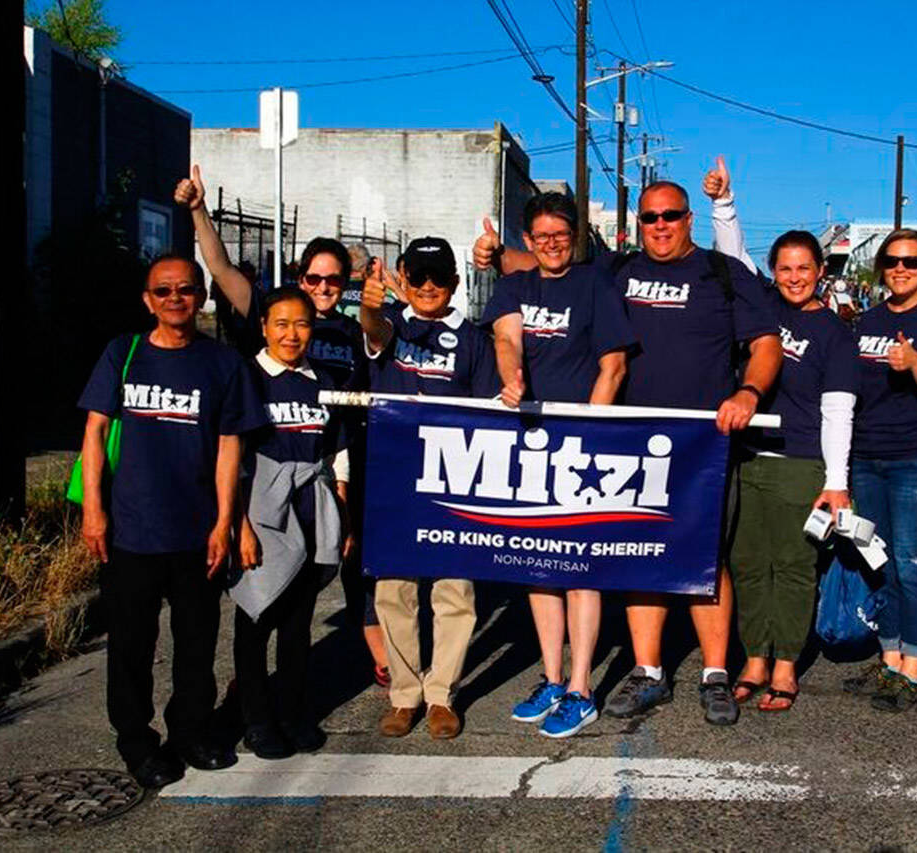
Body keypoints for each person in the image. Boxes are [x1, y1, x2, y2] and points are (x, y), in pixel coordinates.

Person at [475, 178, 783, 727]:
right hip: (630, 441)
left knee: (705, 559)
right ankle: (648, 672)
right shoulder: (617, 271)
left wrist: (748, 391)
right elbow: (550, 266)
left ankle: (714, 673)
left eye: (670, 215)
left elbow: (765, 343)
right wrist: (497, 254)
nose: (659, 226)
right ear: (637, 224)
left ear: (689, 218)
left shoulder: (721, 273)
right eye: (649, 218)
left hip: (700, 442)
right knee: (641, 553)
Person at [174, 166, 391, 688]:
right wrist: (199, 211)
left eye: (332, 279)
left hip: (338, 455)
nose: (321, 288)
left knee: (349, 560)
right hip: (274, 464)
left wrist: (377, 308)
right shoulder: (275, 314)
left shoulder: (349, 325)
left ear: (345, 285)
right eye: (312, 278)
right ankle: (253, 691)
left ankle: (377, 652)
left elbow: (385, 346)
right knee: (266, 584)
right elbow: (223, 270)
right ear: (297, 279)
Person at [78, 255, 266, 789]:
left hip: (195, 532)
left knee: (196, 646)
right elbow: (94, 434)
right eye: (163, 291)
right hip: (131, 532)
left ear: (202, 295)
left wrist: (225, 521)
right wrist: (94, 510)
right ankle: (136, 743)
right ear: (147, 299)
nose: (175, 298)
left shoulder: (223, 364)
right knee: (131, 647)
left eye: (185, 289)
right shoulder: (123, 353)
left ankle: (190, 732)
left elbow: (232, 446)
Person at [480, 192, 635, 738]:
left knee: (579, 567)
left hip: (582, 448)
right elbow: (506, 337)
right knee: (538, 566)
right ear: (527, 241)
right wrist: (512, 377)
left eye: (560, 236)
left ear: (575, 238)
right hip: (528, 444)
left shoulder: (595, 285)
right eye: (541, 237)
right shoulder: (516, 286)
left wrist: (590, 430)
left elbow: (613, 363)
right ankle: (551, 677)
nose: (551, 245)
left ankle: (581, 688)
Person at [360, 237, 500, 739]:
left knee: (454, 591)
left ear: (455, 283)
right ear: (403, 276)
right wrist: (371, 310)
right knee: (394, 591)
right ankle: (404, 695)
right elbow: (374, 330)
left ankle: (442, 694)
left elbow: (487, 412)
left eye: (438, 277)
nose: (427, 287)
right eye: (416, 277)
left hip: (453, 478)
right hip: (395, 476)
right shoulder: (392, 323)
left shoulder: (473, 338)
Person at [727, 231, 860, 711]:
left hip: (801, 464)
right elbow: (734, 255)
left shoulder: (835, 333)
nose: (795, 278)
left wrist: (836, 482)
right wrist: (725, 204)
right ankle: (754, 658)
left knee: (793, 567)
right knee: (747, 566)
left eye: (804, 268)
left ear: (821, 271)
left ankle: (785, 664)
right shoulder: (763, 309)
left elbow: (839, 412)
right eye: (785, 268)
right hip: (748, 459)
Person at [841, 229, 917, 712]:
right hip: (867, 458)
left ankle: (913, 666)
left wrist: (914, 363)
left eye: (911, 262)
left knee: (913, 565)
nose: (901, 269)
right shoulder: (866, 321)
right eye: (892, 260)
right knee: (880, 561)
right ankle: (889, 658)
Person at [231, 288, 351, 759]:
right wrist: (237, 522)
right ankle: (256, 720)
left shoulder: (324, 379)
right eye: (281, 323)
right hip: (260, 511)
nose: (291, 334)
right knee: (256, 617)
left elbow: (337, 450)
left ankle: (294, 714)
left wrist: (340, 512)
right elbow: (230, 456)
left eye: (301, 324)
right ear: (264, 326)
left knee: (297, 626)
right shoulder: (246, 377)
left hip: (310, 508)